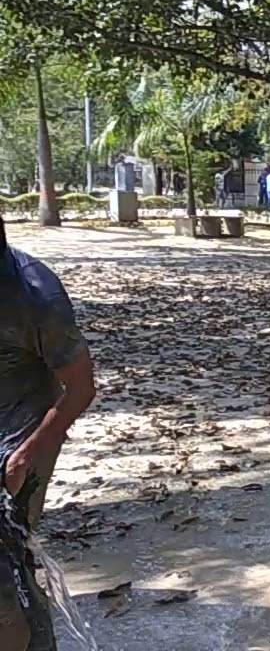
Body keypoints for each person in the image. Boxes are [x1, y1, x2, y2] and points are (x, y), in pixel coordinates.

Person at [0, 214, 98, 646]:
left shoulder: (35, 292)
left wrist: (30, 450)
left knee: (8, 559)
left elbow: (81, 387)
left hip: (24, 429)